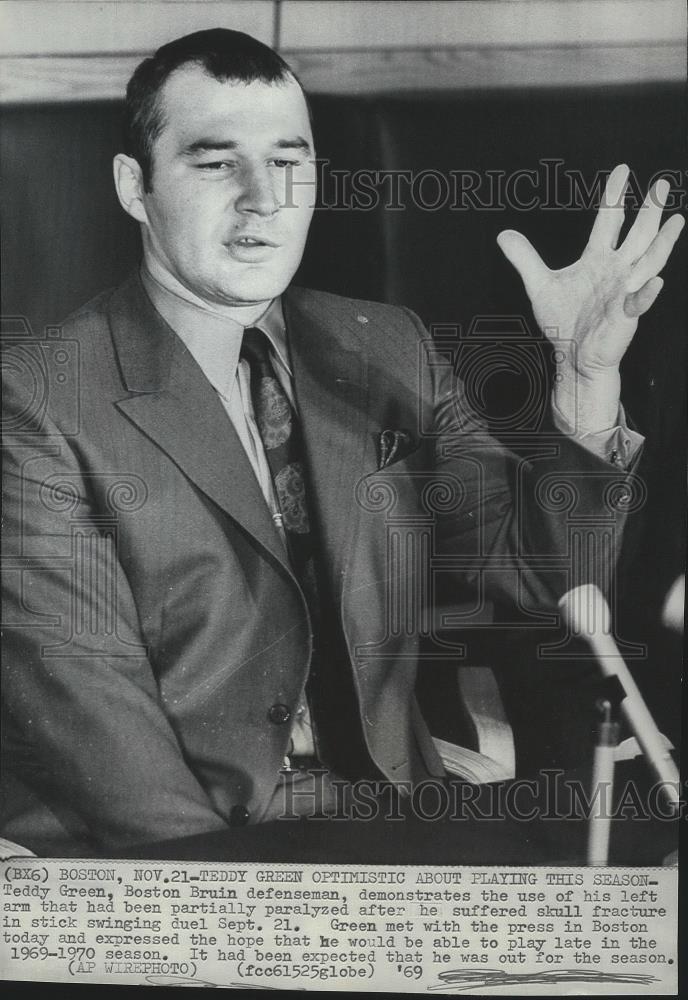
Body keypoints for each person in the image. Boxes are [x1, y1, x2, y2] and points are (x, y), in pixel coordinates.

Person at [1, 29, 683, 857]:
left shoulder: (387, 345)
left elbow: (551, 582)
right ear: (134, 186)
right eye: (216, 163)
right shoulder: (38, 395)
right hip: (175, 854)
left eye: (291, 161)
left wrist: (582, 380)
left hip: (397, 821)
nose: (265, 199)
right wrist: (236, 913)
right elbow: (91, 713)